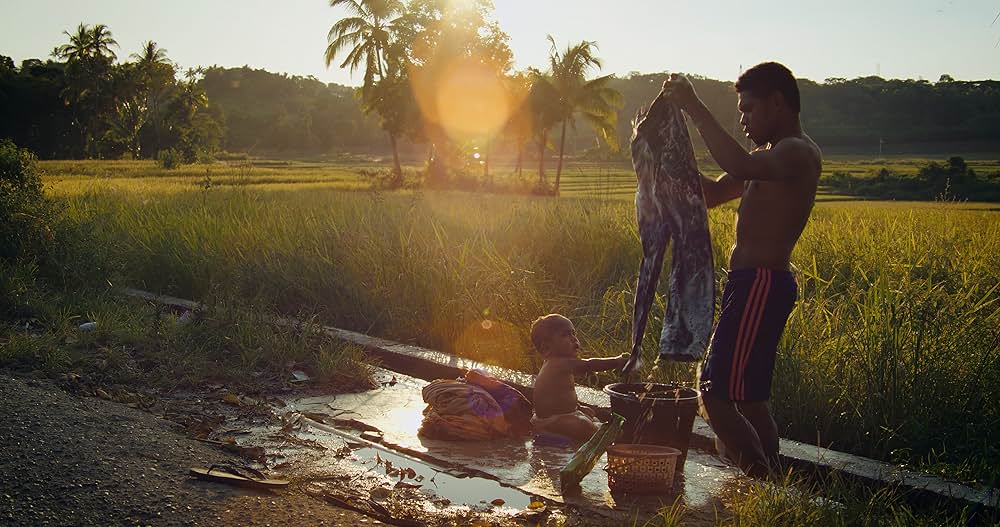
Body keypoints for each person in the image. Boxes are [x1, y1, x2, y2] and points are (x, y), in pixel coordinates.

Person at [661, 62, 822, 477]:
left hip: (761, 285)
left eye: (748, 110)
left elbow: (740, 165)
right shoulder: (766, 157)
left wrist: (695, 108)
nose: (744, 120)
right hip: (751, 286)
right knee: (749, 400)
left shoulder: (797, 152)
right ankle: (769, 484)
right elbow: (713, 193)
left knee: (715, 394)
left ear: (778, 103)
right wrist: (663, 161)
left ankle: (758, 482)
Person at [529, 314, 628, 443]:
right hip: (551, 421)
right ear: (546, 348)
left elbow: (560, 398)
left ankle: (595, 429)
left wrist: (578, 406)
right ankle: (601, 437)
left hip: (559, 416)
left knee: (588, 414)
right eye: (565, 335)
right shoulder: (557, 364)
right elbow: (589, 364)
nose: (574, 339)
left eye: (573, 333)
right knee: (581, 424)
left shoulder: (560, 364)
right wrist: (616, 361)